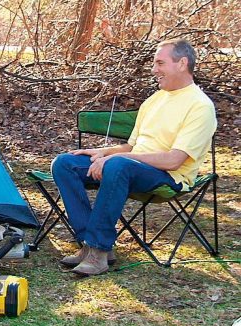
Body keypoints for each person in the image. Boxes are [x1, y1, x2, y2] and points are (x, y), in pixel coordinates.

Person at [51, 39, 217, 276]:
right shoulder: (154, 100)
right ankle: (89, 244)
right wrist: (103, 152)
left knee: (119, 166)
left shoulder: (200, 106)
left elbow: (174, 160)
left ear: (182, 63)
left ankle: (99, 250)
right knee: (64, 163)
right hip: (131, 168)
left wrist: (114, 160)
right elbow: (132, 146)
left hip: (169, 176)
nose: (153, 70)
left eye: (160, 63)